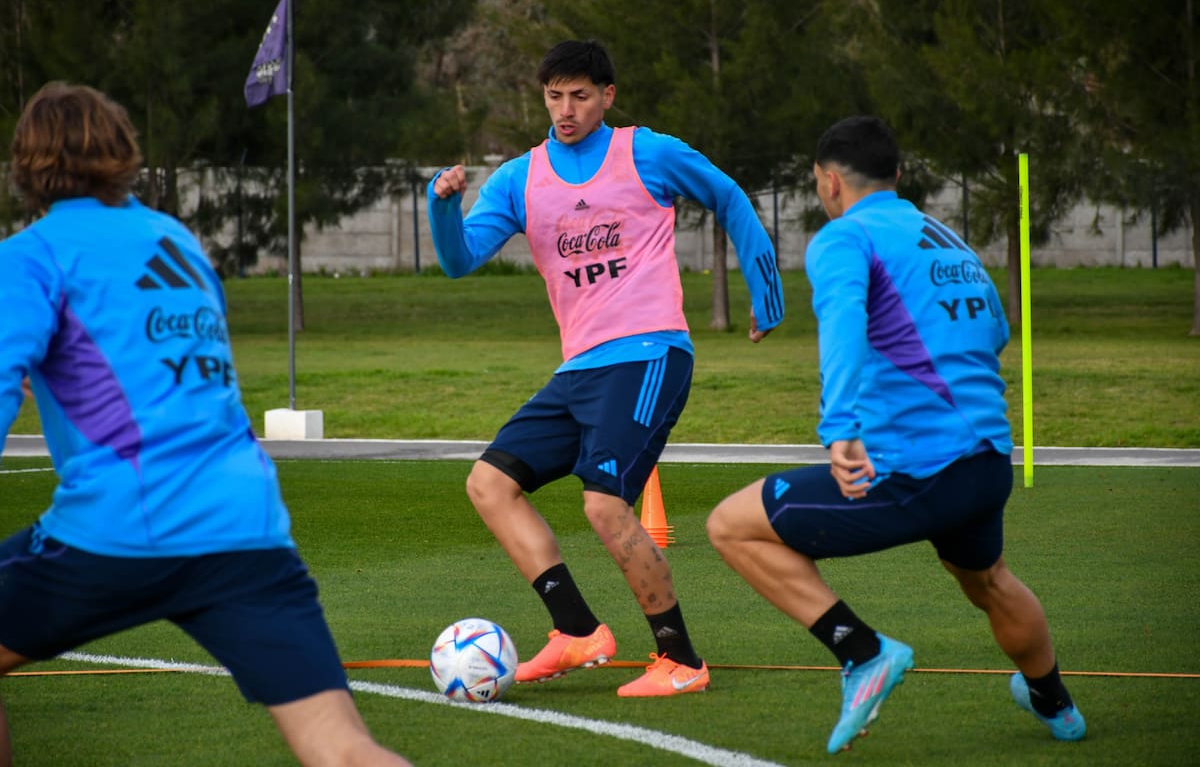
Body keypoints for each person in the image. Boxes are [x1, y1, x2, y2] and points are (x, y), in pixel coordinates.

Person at [0, 82, 411, 767]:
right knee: (343, 748)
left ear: (26, 163)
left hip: (119, 528)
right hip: (244, 523)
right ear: (121, 151)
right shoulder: (177, 241)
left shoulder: (32, 255)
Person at [706, 116, 1086, 752]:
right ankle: (1056, 704)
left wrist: (842, 430)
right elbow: (994, 332)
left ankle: (863, 653)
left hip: (916, 467)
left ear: (828, 182)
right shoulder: (946, 240)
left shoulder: (843, 238)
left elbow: (844, 325)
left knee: (729, 524)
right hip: (988, 461)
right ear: (899, 176)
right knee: (988, 579)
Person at [427, 40, 784, 697]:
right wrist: (442, 205)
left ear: (607, 96)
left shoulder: (645, 152)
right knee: (489, 484)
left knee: (602, 503)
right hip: (579, 370)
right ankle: (576, 631)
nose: (566, 110)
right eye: (555, 96)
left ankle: (680, 658)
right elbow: (457, 260)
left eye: (580, 95)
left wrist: (765, 287)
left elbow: (730, 196)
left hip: (650, 353)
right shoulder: (519, 178)